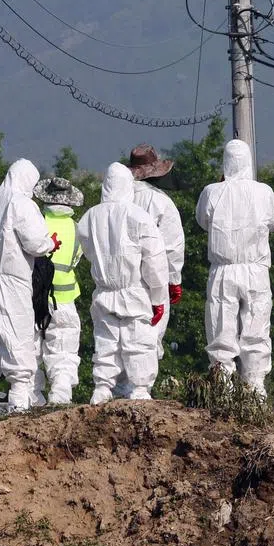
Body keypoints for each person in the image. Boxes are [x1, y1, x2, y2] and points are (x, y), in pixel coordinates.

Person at [0, 159, 61, 417]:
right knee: (18, 344)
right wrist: (50, 244)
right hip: (11, 283)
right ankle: (18, 407)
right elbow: (34, 243)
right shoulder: (21, 203)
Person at [195, 139, 274, 396]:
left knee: (221, 329)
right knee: (256, 329)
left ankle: (222, 385)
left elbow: (203, 220)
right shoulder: (264, 192)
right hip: (255, 270)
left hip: (224, 269)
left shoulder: (211, 191)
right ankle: (255, 389)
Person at [78, 163, 169, 403]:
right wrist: (158, 297)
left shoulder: (89, 216)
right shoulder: (139, 216)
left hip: (104, 290)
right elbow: (155, 261)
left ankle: (102, 388)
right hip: (133, 290)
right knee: (138, 341)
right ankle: (140, 389)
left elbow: (87, 250)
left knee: (106, 341)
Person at [128, 145, 185, 364]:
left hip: (119, 278)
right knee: (151, 335)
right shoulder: (161, 201)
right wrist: (174, 279)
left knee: (119, 337)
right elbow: (172, 244)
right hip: (155, 278)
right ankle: (142, 388)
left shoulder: (114, 200)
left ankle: (118, 389)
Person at [31, 176, 85, 405]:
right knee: (63, 348)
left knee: (31, 348)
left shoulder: (37, 222)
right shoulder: (78, 229)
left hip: (33, 297)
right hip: (64, 297)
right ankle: (61, 396)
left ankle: (31, 396)